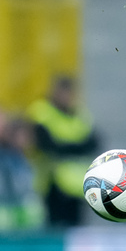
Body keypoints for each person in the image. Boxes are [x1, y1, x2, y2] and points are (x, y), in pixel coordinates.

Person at [27, 75, 99, 227]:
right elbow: (47, 145)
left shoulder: (80, 115)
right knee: (54, 228)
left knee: (74, 229)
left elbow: (93, 143)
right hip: (52, 184)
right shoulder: (42, 112)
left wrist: (65, 146)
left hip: (77, 187)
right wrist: (76, 146)